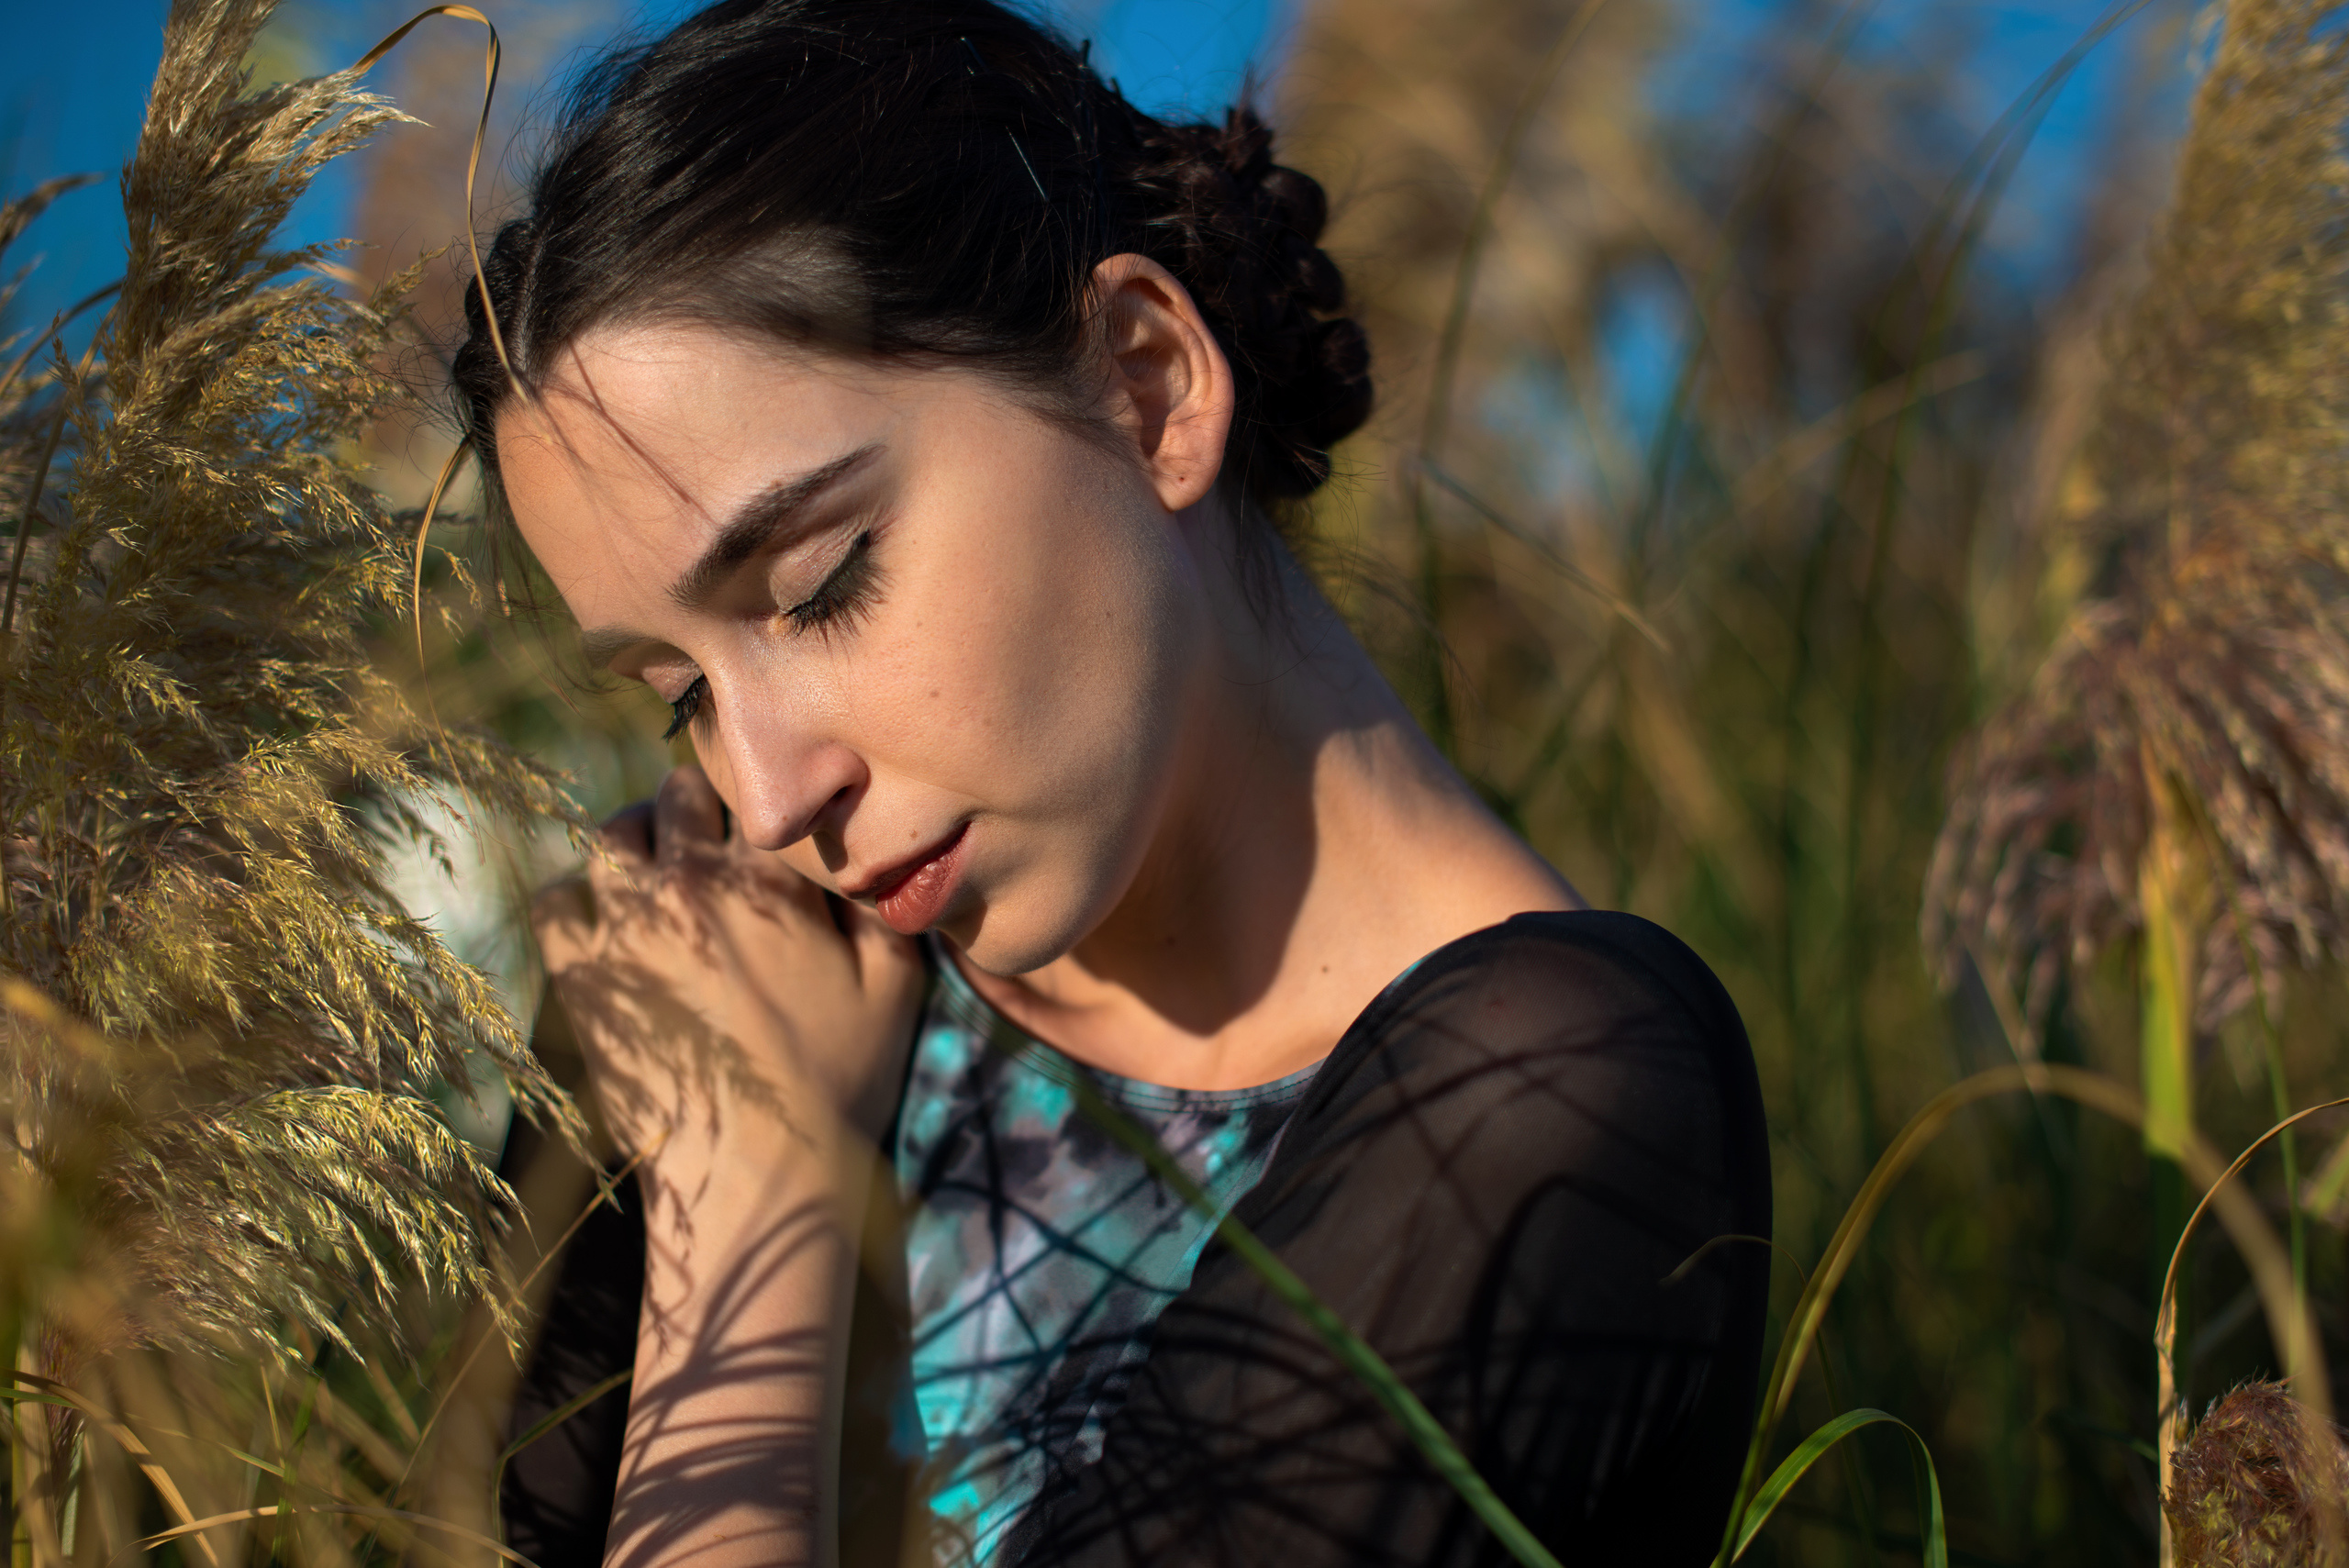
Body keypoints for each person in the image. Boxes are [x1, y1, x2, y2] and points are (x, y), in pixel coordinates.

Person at [452, 2, 1773, 1564]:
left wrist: (755, 1204)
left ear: (1144, 384)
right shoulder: (714, 973)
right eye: (678, 699)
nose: (764, 797)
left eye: (817, 584)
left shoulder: (1551, 1104)